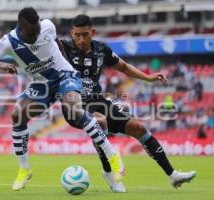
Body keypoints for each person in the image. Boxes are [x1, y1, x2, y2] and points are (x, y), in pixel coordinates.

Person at [0, 7, 123, 191]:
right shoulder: (9, 41)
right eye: (32, 32)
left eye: (38, 29)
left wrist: (65, 63)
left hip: (65, 76)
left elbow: (57, 44)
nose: (37, 34)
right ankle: (24, 169)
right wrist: (0, 64)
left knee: (74, 109)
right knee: (17, 115)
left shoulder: (47, 26)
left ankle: (112, 155)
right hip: (42, 84)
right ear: (22, 28)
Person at [59, 14, 196, 192]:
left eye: (85, 34)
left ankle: (173, 175)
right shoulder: (63, 47)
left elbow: (122, 66)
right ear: (71, 33)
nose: (81, 39)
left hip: (97, 99)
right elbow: (36, 48)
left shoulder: (101, 49)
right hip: (73, 104)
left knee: (138, 127)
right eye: (77, 35)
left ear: (92, 32)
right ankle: (109, 172)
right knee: (99, 121)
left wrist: (147, 78)